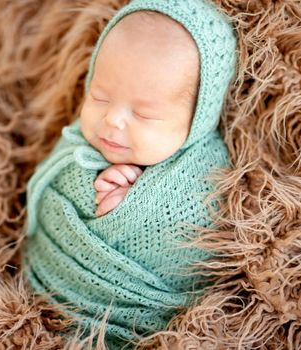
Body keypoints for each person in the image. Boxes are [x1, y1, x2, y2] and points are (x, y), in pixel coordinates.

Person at [23, 0, 237, 348]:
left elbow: (196, 248)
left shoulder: (203, 174)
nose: (113, 120)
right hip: (40, 301)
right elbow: (53, 193)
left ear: (198, 117)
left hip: (133, 324)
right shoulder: (77, 143)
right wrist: (93, 194)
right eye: (100, 97)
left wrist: (129, 211)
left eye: (145, 115)